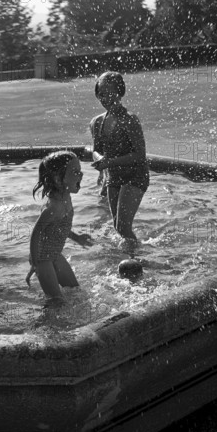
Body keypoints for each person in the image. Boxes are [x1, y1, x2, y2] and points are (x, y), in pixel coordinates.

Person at [90, 71, 149, 241]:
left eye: (110, 93)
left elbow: (140, 155)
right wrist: (100, 159)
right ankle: (129, 256)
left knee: (123, 227)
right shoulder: (97, 122)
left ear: (120, 92)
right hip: (114, 177)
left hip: (135, 176)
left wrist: (109, 162)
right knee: (118, 227)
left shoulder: (130, 120)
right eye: (101, 94)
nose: (105, 98)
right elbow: (95, 150)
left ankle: (137, 261)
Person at [26, 151, 92, 300]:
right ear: (58, 179)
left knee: (75, 291)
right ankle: (46, 321)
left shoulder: (66, 197)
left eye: (80, 171)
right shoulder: (53, 207)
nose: (81, 175)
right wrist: (35, 264)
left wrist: (77, 238)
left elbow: (58, 227)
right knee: (57, 301)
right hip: (42, 259)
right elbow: (36, 233)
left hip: (55, 254)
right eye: (75, 172)